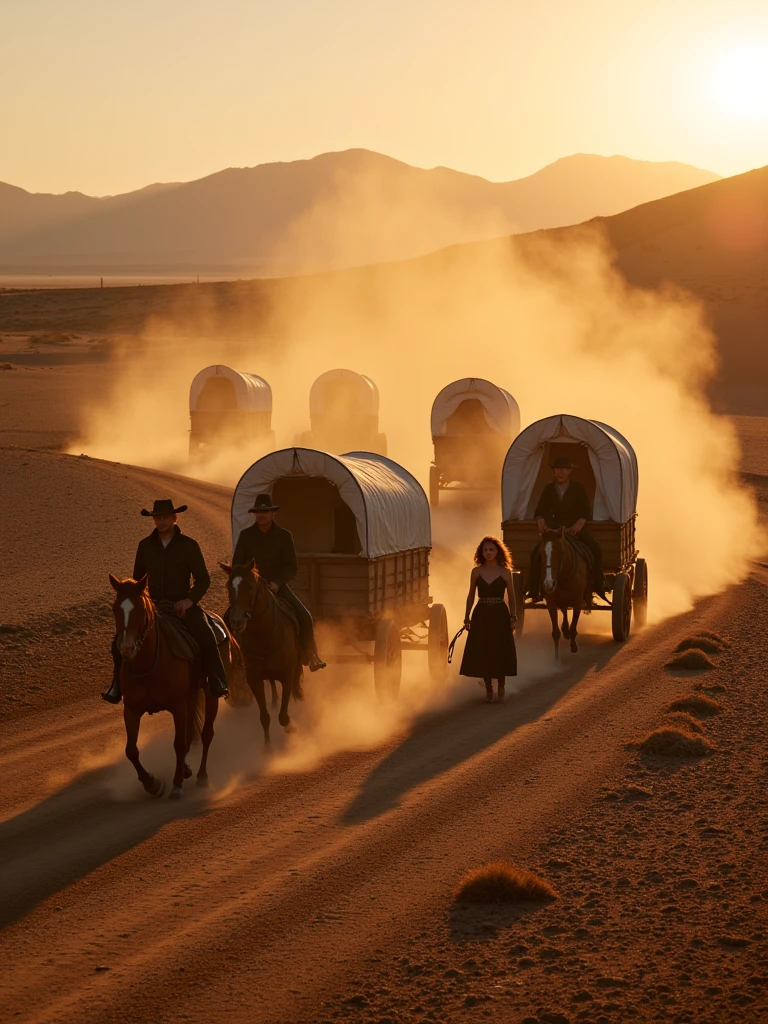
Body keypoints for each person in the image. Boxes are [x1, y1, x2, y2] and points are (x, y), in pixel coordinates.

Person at [102, 499, 229, 704]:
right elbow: (138, 581)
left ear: (174, 518)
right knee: (119, 639)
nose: (160, 521)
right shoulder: (144, 546)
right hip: (152, 606)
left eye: (165, 517)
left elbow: (203, 579)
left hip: (183, 606)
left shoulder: (189, 545)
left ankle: (217, 679)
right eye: (157, 518)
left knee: (205, 633)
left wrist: (189, 600)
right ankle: (117, 686)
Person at [232, 493, 326, 671]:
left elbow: (291, 566)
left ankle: (310, 655)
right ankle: (232, 661)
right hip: (251, 590)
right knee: (229, 617)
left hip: (277, 588)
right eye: (259, 512)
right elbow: (237, 564)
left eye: (266, 511)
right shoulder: (246, 536)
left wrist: (277, 583)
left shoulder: (284, 536)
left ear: (272, 513)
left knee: (305, 616)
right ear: (255, 514)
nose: (262, 515)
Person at [527, 457, 606, 600]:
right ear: (554, 471)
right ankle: (534, 590)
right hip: (553, 531)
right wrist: (540, 519)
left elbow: (587, 511)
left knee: (595, 548)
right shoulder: (548, 489)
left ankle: (599, 584)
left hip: (574, 530)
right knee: (535, 554)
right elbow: (539, 510)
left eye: (564, 469)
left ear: (569, 471)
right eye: (558, 469)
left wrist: (581, 521)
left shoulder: (578, 488)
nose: (561, 472)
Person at [460, 536, 517, 704]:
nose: (488, 553)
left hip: (500, 614)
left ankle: (501, 685)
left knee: (500, 649)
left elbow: (512, 597)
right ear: (481, 552)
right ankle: (488, 689)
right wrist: (466, 616)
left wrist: (513, 617)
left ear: (498, 551)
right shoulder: (476, 572)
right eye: (485, 550)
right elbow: (471, 595)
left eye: (491, 549)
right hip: (482, 614)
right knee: (484, 650)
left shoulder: (506, 572)